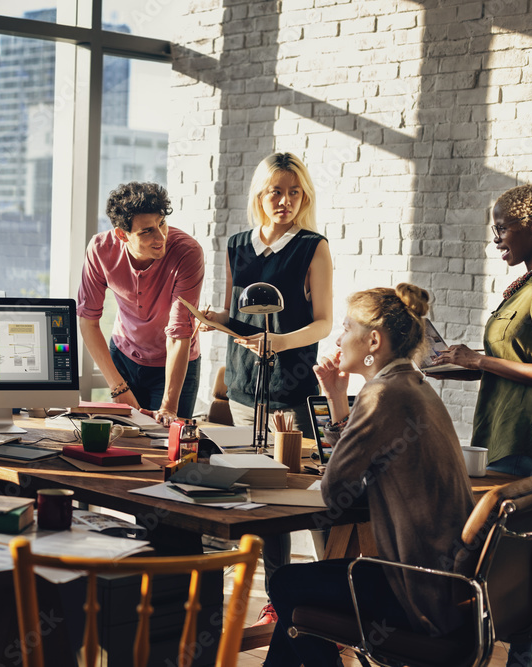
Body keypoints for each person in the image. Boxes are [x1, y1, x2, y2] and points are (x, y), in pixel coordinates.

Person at [264, 284, 475, 667]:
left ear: (373, 340)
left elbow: (336, 490)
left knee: (285, 584)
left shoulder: (381, 395)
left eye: (346, 328)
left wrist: (343, 407)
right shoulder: (413, 386)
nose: (339, 338)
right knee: (298, 597)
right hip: (447, 586)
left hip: (415, 591)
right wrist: (335, 400)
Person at [433, 184, 532, 667]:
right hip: (501, 438)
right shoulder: (526, 284)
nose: (496, 238)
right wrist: (457, 363)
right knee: (501, 559)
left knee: (510, 560)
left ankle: (518, 659)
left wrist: (481, 360)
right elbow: (508, 361)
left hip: (531, 444)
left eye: (502, 227)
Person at [199, 152, 333, 624]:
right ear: (260, 194)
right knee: (258, 495)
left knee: (297, 493)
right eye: (276, 191)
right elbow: (243, 318)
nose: (285, 201)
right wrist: (219, 321)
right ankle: (279, 600)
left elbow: (323, 324)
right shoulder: (237, 244)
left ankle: (326, 598)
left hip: (290, 387)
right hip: (241, 384)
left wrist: (278, 341)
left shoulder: (313, 246)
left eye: (295, 192)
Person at [78, 182, 204, 423]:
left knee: (169, 445)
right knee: (123, 441)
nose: (160, 237)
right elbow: (88, 322)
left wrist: (168, 406)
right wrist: (117, 387)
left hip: (174, 364)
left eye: (162, 224)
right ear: (122, 234)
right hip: (124, 355)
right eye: (147, 231)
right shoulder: (100, 249)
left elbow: (179, 333)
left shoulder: (188, 253)